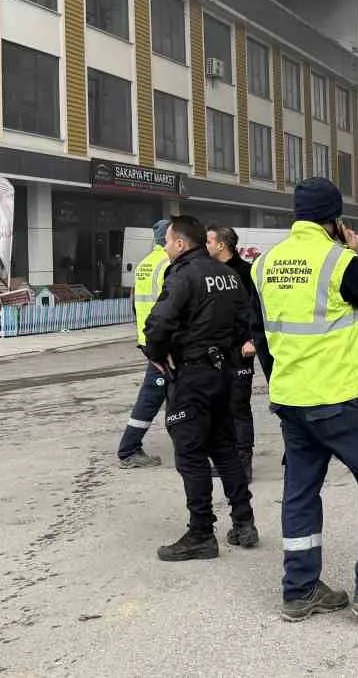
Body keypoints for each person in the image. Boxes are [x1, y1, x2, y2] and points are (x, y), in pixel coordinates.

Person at [255, 177, 358, 622]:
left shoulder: (264, 264)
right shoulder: (338, 261)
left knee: (300, 492)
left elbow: (261, 331)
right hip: (336, 399)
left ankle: (301, 590)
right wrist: (354, 252)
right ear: (335, 219)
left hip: (290, 399)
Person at [142, 215, 258, 561]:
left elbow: (160, 321)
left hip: (191, 374)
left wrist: (156, 354)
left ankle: (201, 532)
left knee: (191, 454)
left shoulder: (182, 274)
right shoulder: (228, 275)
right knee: (224, 447)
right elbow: (243, 323)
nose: (164, 246)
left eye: (167, 241)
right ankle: (244, 521)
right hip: (223, 372)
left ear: (180, 243)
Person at [207, 225, 266, 482]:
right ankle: (226, 461)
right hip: (215, 352)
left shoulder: (246, 272)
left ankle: (244, 461)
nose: (205, 245)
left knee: (238, 406)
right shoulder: (209, 273)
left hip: (240, 349)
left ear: (221, 245)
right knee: (219, 407)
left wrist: (254, 339)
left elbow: (261, 307)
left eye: (208, 241)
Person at [117, 219, 171, 469]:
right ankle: (129, 449)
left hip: (148, 340)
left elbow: (136, 304)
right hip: (164, 345)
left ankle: (188, 445)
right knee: (152, 396)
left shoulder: (146, 263)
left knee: (170, 393)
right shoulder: (169, 264)